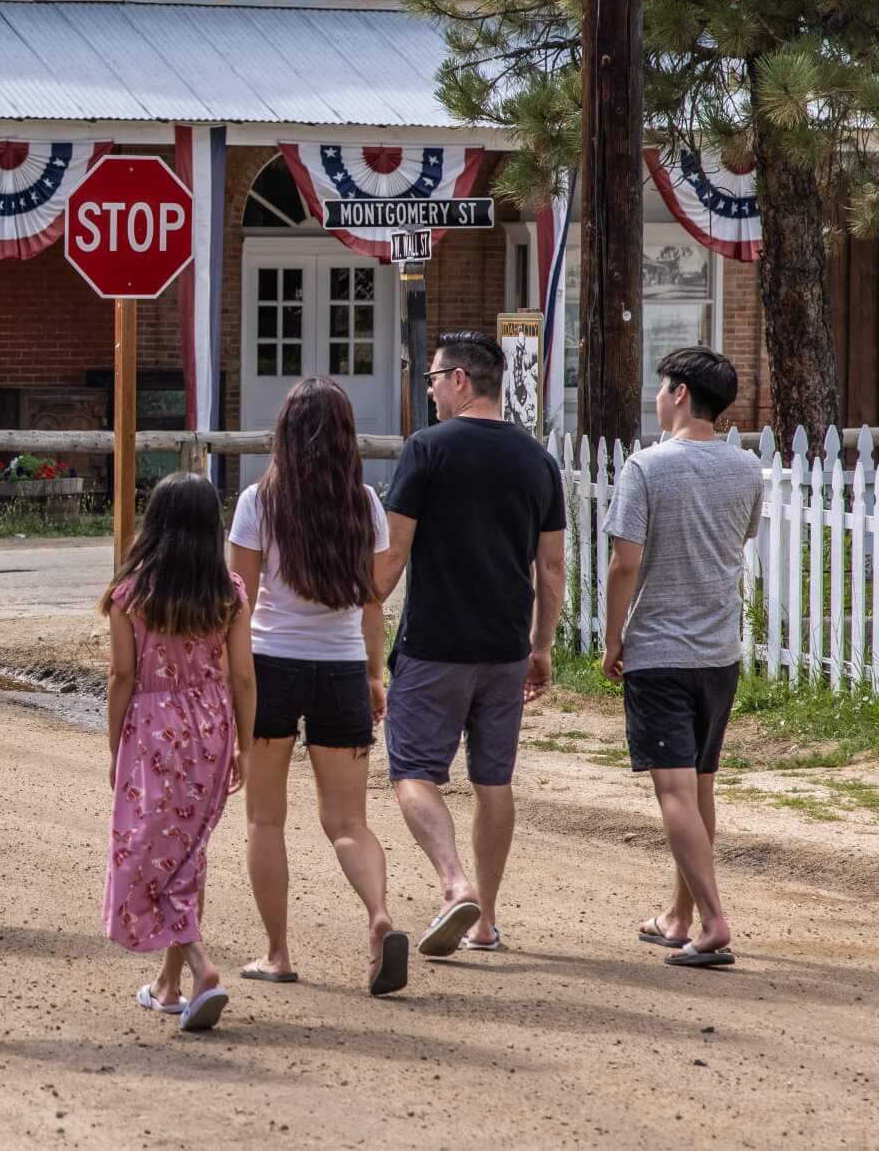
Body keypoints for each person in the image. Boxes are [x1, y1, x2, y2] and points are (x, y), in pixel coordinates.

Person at [375, 331, 566, 959]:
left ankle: (455, 883)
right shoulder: (537, 460)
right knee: (493, 779)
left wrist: (360, 606)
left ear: (461, 380)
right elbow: (553, 567)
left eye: (433, 377)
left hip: (435, 642)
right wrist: (542, 645)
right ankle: (486, 917)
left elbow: (395, 551)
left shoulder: (425, 449)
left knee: (413, 771)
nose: (428, 388)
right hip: (507, 644)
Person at [231, 379, 409, 997]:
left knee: (265, 820)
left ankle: (277, 953)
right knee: (348, 822)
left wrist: (230, 682)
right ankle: (379, 915)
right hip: (340, 670)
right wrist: (372, 673)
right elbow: (370, 603)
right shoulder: (365, 504)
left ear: (283, 432)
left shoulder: (259, 501)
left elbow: (237, 599)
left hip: (270, 666)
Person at [602, 346, 761, 971]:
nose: (658, 396)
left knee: (673, 792)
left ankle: (715, 921)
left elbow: (625, 562)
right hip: (720, 651)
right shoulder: (747, 469)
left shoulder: (645, 468)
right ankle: (680, 915)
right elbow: (738, 541)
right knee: (699, 787)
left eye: (662, 386)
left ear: (681, 393)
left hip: (661, 651)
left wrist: (614, 637)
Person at [101, 473, 253, 1033]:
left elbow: (121, 675)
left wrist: (114, 743)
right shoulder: (229, 591)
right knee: (186, 853)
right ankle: (169, 986)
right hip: (212, 727)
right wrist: (242, 744)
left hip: (152, 728)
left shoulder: (132, 594)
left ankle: (201, 968)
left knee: (146, 853)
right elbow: (243, 678)